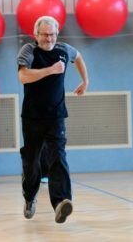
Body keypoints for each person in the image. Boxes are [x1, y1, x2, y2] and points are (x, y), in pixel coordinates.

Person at [17, 16, 89, 223]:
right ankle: (29, 197)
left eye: (52, 34)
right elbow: (23, 76)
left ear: (57, 34)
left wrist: (85, 81)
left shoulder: (64, 50)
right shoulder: (29, 51)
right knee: (32, 162)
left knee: (58, 157)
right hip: (32, 117)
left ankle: (61, 202)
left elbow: (79, 57)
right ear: (36, 34)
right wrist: (51, 70)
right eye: (45, 35)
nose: (49, 38)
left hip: (56, 115)